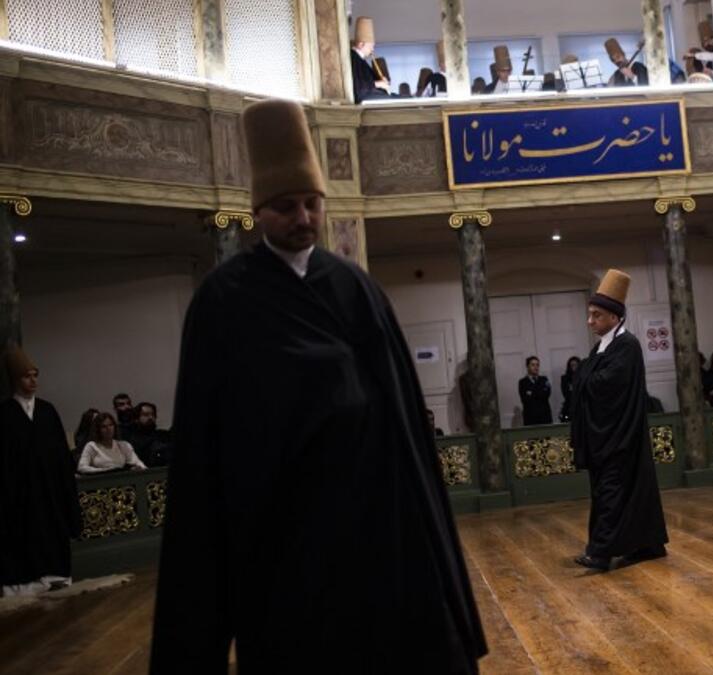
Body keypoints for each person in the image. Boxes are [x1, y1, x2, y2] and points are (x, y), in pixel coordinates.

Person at [150, 100, 486, 673]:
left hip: (368, 519)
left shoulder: (357, 288)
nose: (303, 217)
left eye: (311, 203)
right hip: (277, 529)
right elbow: (207, 440)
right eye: (286, 207)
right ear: (259, 212)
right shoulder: (223, 300)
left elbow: (400, 419)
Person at [570, 269, 668, 571]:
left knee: (612, 491)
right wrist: (584, 377)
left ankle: (600, 554)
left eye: (596, 316)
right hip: (606, 434)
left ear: (614, 317)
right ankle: (647, 544)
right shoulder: (603, 346)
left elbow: (602, 384)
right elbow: (586, 378)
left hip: (619, 435)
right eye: (590, 315)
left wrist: (583, 377)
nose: (590, 321)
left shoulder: (626, 345)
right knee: (622, 491)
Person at [0, 347, 81, 597]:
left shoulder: (47, 411)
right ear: (15, 380)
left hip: (50, 493)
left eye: (35, 375)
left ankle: (56, 576)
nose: (33, 381)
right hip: (19, 497)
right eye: (27, 376)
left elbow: (61, 458)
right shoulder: (4, 415)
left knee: (52, 535)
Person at [77, 412, 147, 474]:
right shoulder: (92, 446)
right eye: (104, 427)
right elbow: (82, 467)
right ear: (98, 429)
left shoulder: (123, 445)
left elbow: (137, 462)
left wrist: (141, 468)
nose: (108, 429)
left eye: (111, 425)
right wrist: (104, 471)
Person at [349, 17, 391, 103]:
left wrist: (381, 81)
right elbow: (357, 89)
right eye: (371, 46)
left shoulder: (360, 59)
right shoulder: (353, 58)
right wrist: (379, 84)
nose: (372, 49)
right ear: (361, 44)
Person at [125, 401, 172, 467]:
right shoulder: (134, 440)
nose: (150, 417)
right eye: (145, 415)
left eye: (153, 414)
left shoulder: (163, 434)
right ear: (136, 419)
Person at [518, 356, 552, 426]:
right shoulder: (523, 382)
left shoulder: (544, 379)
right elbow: (525, 399)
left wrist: (531, 393)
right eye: (533, 365)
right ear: (527, 366)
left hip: (545, 416)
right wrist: (539, 391)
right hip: (530, 418)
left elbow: (546, 395)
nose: (536, 367)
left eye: (537, 365)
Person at [559, 356, 581, 422]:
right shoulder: (565, 378)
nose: (574, 367)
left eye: (576, 365)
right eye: (572, 365)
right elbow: (566, 393)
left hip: (581, 405)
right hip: (569, 406)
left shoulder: (583, 377)